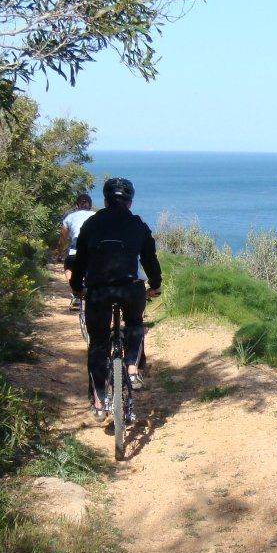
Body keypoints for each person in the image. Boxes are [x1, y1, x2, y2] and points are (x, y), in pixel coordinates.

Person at [70, 177, 162, 421]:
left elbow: (79, 260)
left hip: (99, 291)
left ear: (105, 200)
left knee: (98, 343)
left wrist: (76, 286)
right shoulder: (137, 224)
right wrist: (155, 286)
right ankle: (131, 366)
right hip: (130, 288)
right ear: (130, 202)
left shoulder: (91, 223)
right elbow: (150, 259)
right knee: (134, 323)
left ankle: (99, 402)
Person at [58, 194, 98, 310]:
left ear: (76, 205)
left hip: (76, 246)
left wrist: (60, 254)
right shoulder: (96, 215)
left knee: (69, 267)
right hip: (94, 248)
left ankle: (76, 293)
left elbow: (62, 239)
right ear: (90, 206)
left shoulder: (69, 217)